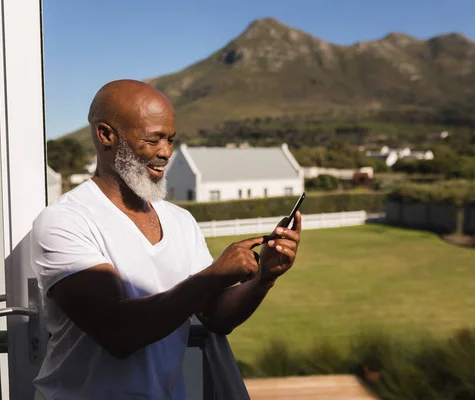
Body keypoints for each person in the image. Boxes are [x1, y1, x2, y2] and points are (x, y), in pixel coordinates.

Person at [30, 79, 301, 399]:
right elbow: (118, 332)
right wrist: (213, 275)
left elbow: (216, 315)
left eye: (171, 139)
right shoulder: (65, 220)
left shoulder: (180, 220)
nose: (166, 152)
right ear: (106, 135)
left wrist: (263, 279)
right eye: (153, 139)